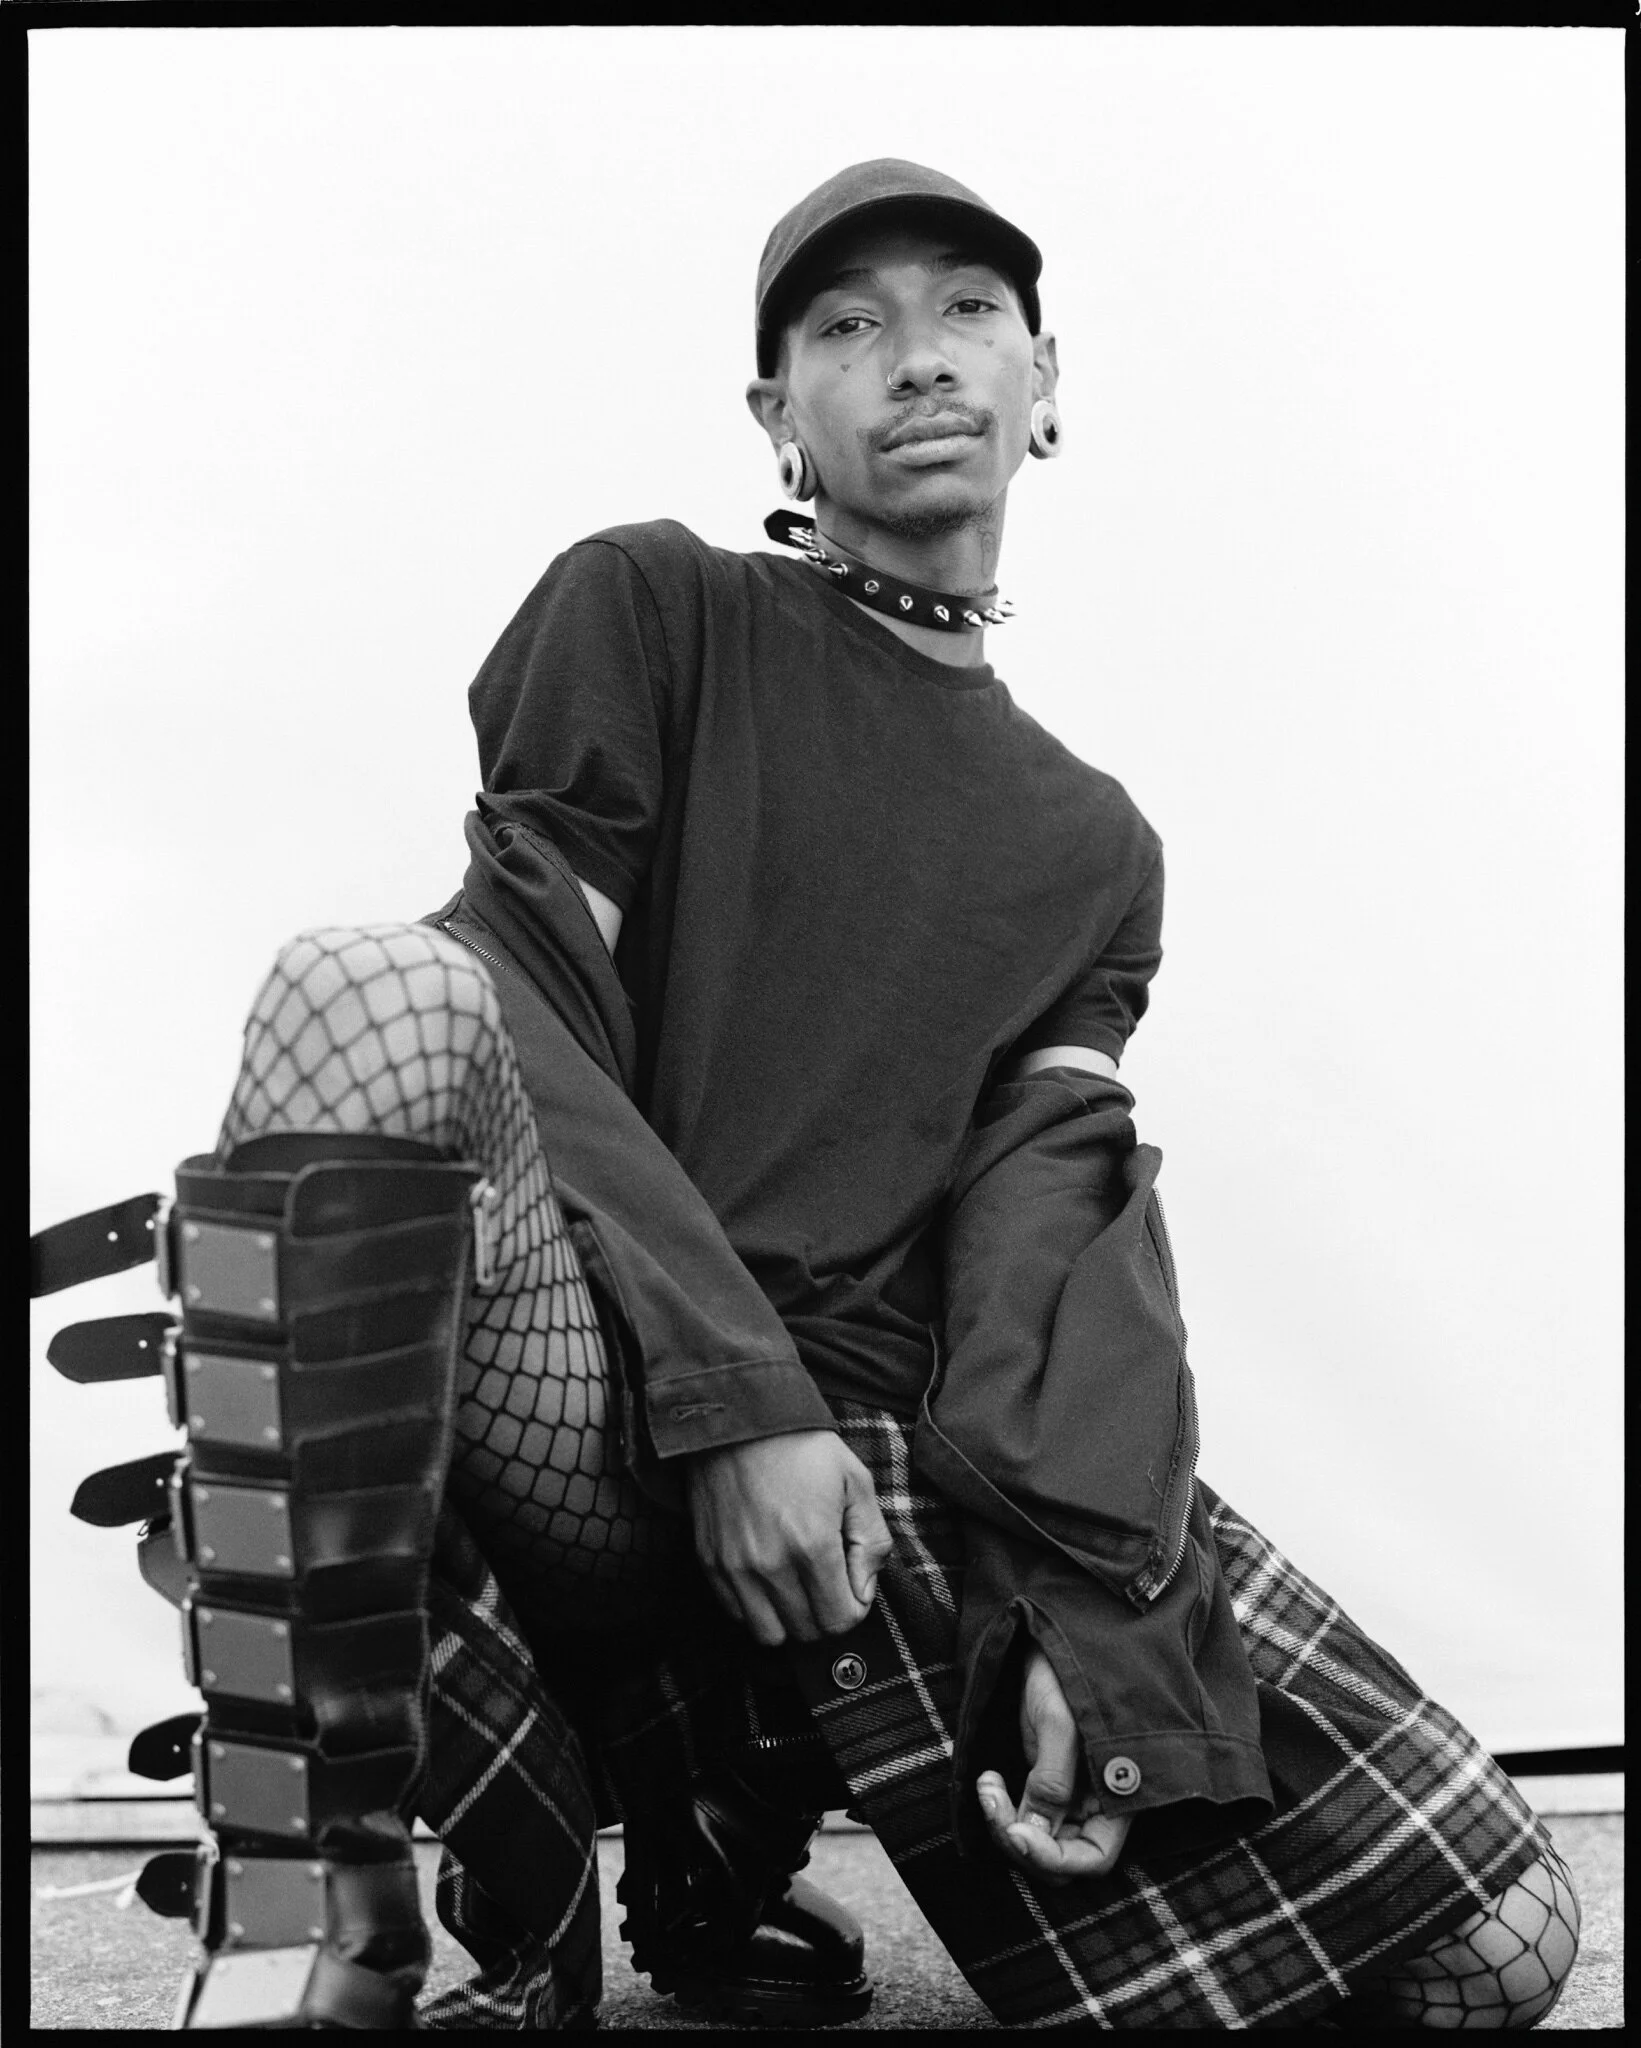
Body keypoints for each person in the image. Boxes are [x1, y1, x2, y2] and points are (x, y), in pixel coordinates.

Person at [35, 159, 1581, 2031]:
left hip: (873, 1475)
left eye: (967, 312)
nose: (916, 356)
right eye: (849, 325)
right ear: (777, 409)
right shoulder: (656, 606)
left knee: (1500, 1948)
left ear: (1044, 382)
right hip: (584, 1387)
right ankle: (319, 1921)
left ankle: (728, 1794)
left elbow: (1046, 1245)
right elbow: (516, 983)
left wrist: (1091, 1621)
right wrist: (736, 1401)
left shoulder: (1098, 851)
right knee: (369, 982)